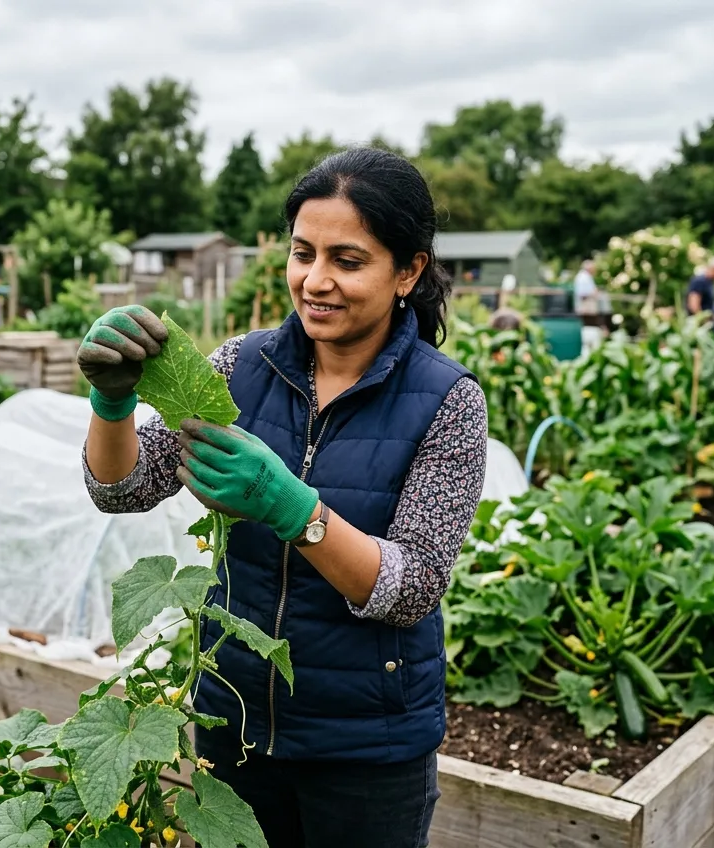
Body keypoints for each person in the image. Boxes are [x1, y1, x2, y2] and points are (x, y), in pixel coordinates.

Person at [79, 147, 488, 848]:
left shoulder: (449, 402)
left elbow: (413, 586)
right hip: (233, 725)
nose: (317, 281)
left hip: (366, 748)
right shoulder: (242, 366)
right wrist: (113, 404)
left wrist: (295, 510)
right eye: (303, 254)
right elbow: (125, 488)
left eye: (348, 261)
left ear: (409, 271)